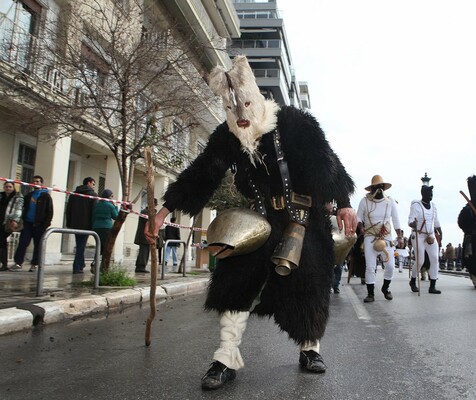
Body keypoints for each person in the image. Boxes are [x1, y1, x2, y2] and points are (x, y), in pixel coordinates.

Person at [144, 56, 357, 390]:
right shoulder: (226, 136)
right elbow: (203, 172)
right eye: (233, 109)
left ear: (256, 100)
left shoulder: (295, 123)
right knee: (235, 281)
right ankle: (225, 357)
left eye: (245, 105)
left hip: (305, 216)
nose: (241, 117)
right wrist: (163, 211)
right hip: (259, 218)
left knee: (311, 284)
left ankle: (310, 349)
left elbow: (326, 163)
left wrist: (343, 203)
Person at [356, 175, 403, 303]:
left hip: (386, 237)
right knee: (370, 267)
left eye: (381, 187)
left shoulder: (390, 201)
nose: (379, 189)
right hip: (370, 236)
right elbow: (358, 218)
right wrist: (361, 227)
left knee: (391, 266)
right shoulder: (364, 201)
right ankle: (370, 293)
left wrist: (400, 236)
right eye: (376, 187)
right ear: (371, 189)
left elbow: (396, 220)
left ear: (384, 188)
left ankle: (386, 288)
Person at [10, 175, 53, 272]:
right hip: (28, 224)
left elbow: (49, 211)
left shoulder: (46, 196)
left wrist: (45, 225)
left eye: (38, 181)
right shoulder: (29, 195)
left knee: (38, 245)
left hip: (39, 225)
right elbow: (22, 207)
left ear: (41, 183)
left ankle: (35, 264)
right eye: (34, 181)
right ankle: (18, 263)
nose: (35, 183)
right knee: (22, 243)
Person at [408, 185, 442, 294]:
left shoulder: (434, 206)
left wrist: (440, 232)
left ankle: (432, 286)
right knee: (420, 260)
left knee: (435, 258)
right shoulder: (416, 206)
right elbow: (410, 221)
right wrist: (414, 223)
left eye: (432, 193)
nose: (431, 196)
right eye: (429, 193)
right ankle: (413, 281)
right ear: (423, 194)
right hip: (418, 235)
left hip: (430, 236)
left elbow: (436, 222)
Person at [65, 177, 97, 274]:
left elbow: (68, 209)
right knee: (81, 246)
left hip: (75, 223)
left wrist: (69, 222)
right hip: (86, 225)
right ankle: (77, 267)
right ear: (89, 183)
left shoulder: (74, 194)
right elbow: (94, 211)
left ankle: (81, 263)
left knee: (79, 244)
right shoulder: (92, 195)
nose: (94, 186)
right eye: (93, 184)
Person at [0, 181, 24, 271]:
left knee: (2, 242)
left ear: (13, 187)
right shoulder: (1, 195)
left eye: (10, 187)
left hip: (7, 222)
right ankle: (4, 263)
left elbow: (18, 209)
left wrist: (15, 220)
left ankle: (4, 264)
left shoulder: (17, 197)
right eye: (6, 186)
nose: (8, 188)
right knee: (2, 243)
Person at [91, 189, 119, 263]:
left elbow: (93, 216)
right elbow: (116, 217)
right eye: (112, 196)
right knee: (106, 247)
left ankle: (95, 262)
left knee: (98, 245)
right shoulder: (110, 205)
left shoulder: (97, 204)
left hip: (96, 227)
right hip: (106, 227)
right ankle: (104, 264)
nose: (112, 198)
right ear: (109, 196)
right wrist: (116, 207)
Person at [134, 199, 157, 273]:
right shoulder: (145, 212)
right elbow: (150, 221)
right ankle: (141, 266)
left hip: (146, 236)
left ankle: (140, 265)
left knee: (144, 251)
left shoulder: (147, 212)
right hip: (144, 235)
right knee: (144, 252)